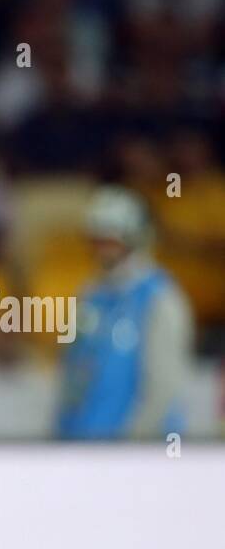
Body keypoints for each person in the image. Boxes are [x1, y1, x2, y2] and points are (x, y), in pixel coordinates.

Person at [57, 187, 194, 440]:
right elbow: (72, 373)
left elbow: (163, 387)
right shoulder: (88, 295)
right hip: (82, 448)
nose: (100, 249)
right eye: (95, 240)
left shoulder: (161, 298)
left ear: (134, 238)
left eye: (110, 240)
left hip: (135, 457)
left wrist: (131, 445)